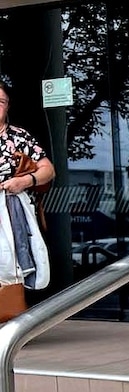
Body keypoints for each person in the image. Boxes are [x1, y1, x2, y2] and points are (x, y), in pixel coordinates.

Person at [0, 78, 55, 304]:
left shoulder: (19, 137)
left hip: (12, 214)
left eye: (1, 101)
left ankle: (9, 324)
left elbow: (48, 170)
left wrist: (24, 182)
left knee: (10, 266)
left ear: (8, 107)